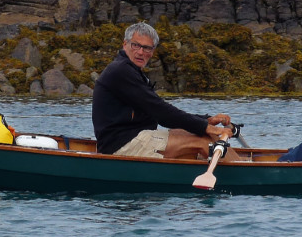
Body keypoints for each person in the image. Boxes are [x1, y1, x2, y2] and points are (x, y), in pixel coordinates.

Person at [92, 22, 239, 160]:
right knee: (202, 140)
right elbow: (162, 113)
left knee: (204, 135)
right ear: (125, 45)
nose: (141, 52)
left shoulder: (132, 71)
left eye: (147, 48)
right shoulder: (121, 71)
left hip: (137, 136)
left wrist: (205, 120)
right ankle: (246, 175)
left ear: (153, 50)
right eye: (135, 45)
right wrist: (208, 127)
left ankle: (236, 167)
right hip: (120, 144)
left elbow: (159, 111)